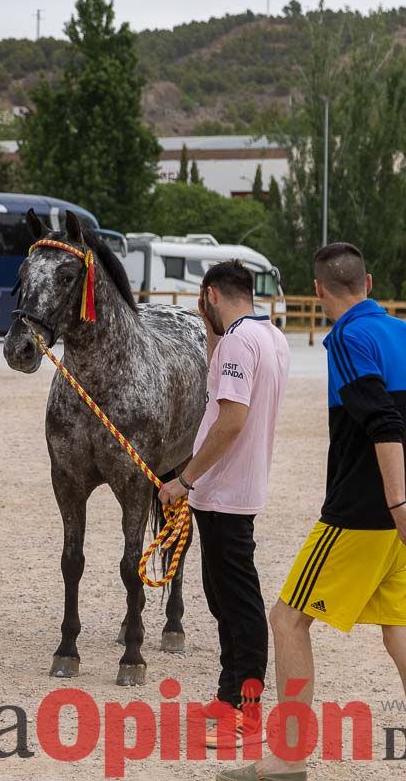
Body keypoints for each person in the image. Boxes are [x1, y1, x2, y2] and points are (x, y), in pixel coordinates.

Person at [222, 243, 406, 781]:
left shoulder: (348, 338)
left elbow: (382, 423)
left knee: (287, 620)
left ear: (319, 290)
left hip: (361, 515)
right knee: (404, 636)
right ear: (369, 282)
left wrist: (398, 504)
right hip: (403, 522)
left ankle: (287, 756)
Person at [158, 260, 290, 750]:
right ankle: (228, 694)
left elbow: (231, 420)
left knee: (239, 603)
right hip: (233, 489)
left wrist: (184, 480)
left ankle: (248, 713)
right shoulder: (267, 335)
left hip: (224, 490)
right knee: (221, 595)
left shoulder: (237, 341)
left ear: (210, 295)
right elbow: (224, 389)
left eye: (201, 300)